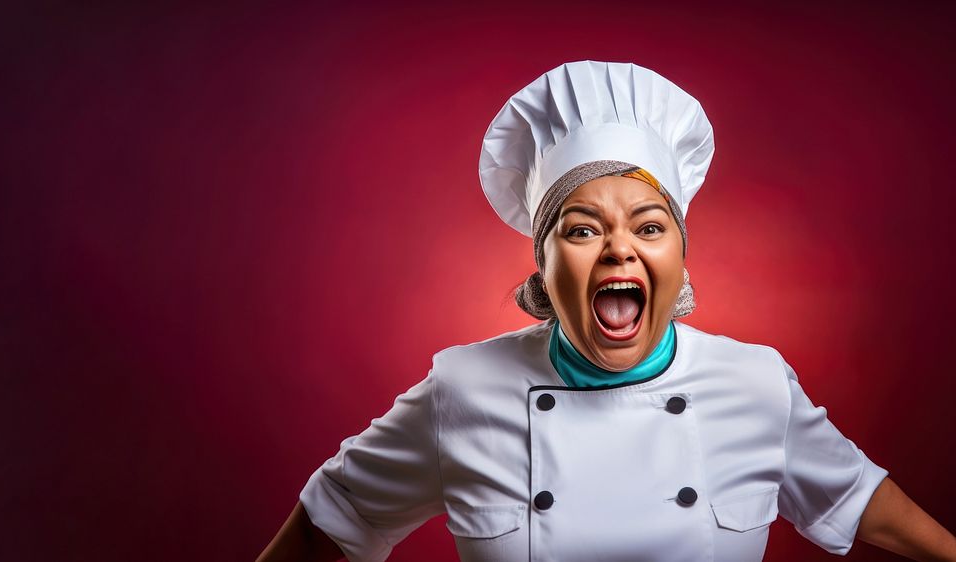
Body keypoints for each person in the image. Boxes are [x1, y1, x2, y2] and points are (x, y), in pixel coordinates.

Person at [257, 61, 956, 561]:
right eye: (582, 229)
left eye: (650, 227)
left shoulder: (756, 384)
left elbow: (861, 502)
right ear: (545, 263)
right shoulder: (461, 392)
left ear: (680, 256)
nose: (619, 250)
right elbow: (334, 520)